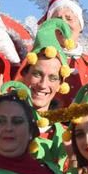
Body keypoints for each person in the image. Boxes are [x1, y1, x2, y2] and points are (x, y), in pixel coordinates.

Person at [17, 18, 74, 164]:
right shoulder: (1, 121)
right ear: (24, 75)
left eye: (53, 78)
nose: (43, 85)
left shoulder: (65, 137)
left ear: (61, 84)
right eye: (37, 74)